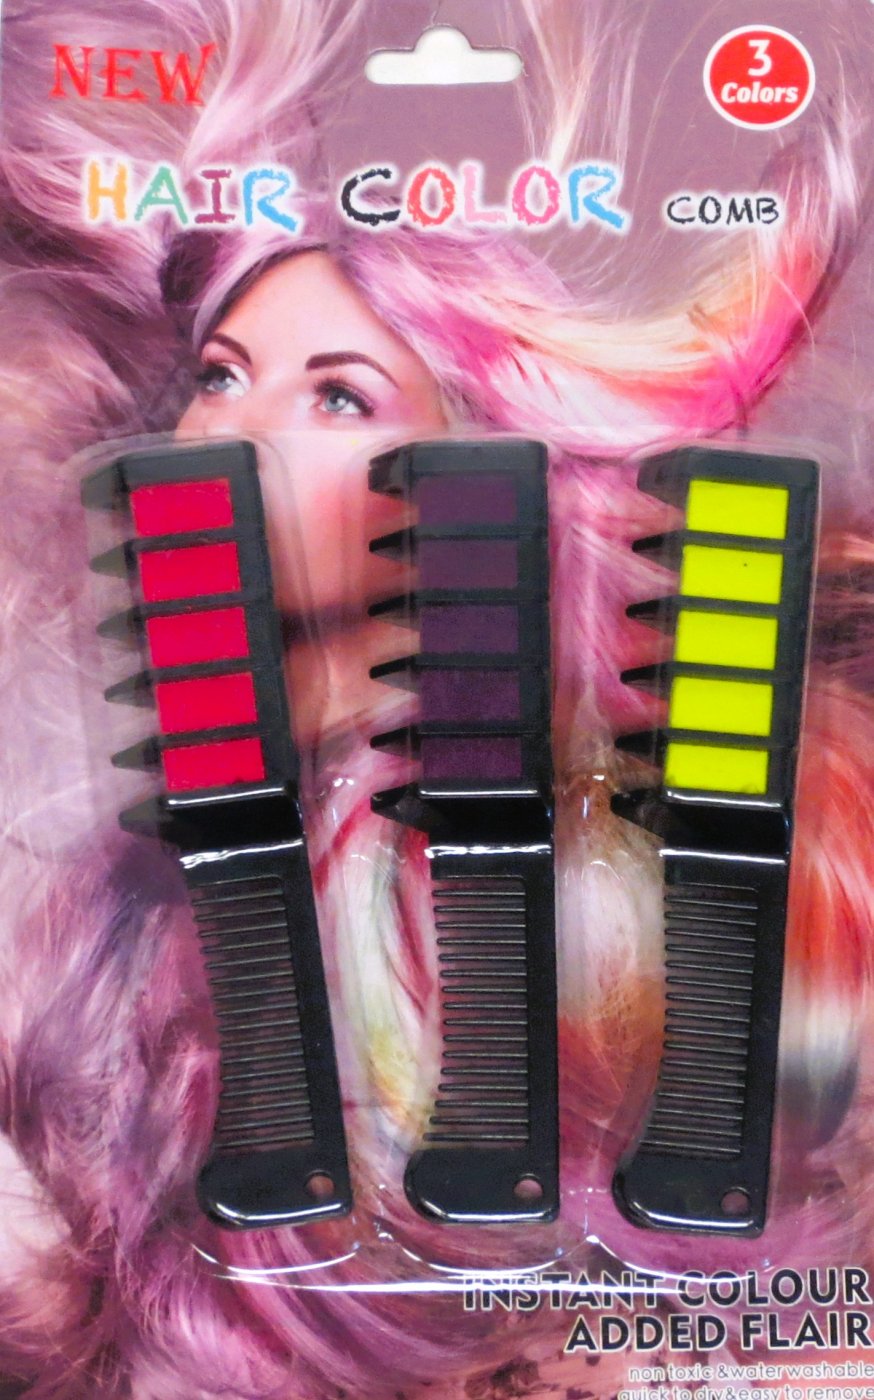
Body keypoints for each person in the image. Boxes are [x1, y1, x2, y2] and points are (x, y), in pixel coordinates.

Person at [0, 1, 872, 1396]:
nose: (232, 433)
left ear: (478, 466)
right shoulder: (100, 930)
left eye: (339, 396)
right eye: (219, 374)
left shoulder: (608, 875)